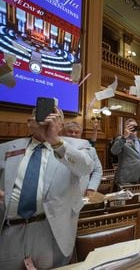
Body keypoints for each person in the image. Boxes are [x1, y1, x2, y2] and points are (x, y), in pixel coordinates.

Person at [0, 106, 94, 269]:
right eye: (42, 116)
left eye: (54, 118)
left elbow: (85, 168)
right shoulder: (6, 148)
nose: (47, 120)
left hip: (49, 230)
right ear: (30, 123)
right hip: (9, 230)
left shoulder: (77, 145)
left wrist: (55, 141)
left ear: (61, 125)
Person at [61, 121, 103, 196]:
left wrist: (91, 188)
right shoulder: (54, 148)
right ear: (64, 132)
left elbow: (97, 170)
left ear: (80, 134)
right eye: (70, 132)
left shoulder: (90, 150)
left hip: (81, 193)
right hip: (58, 194)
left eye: (76, 132)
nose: (73, 134)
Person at [110, 118, 140, 186]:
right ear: (126, 128)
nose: (133, 128)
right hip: (126, 179)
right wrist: (124, 137)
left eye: (135, 126)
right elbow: (114, 151)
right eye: (130, 127)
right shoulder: (121, 139)